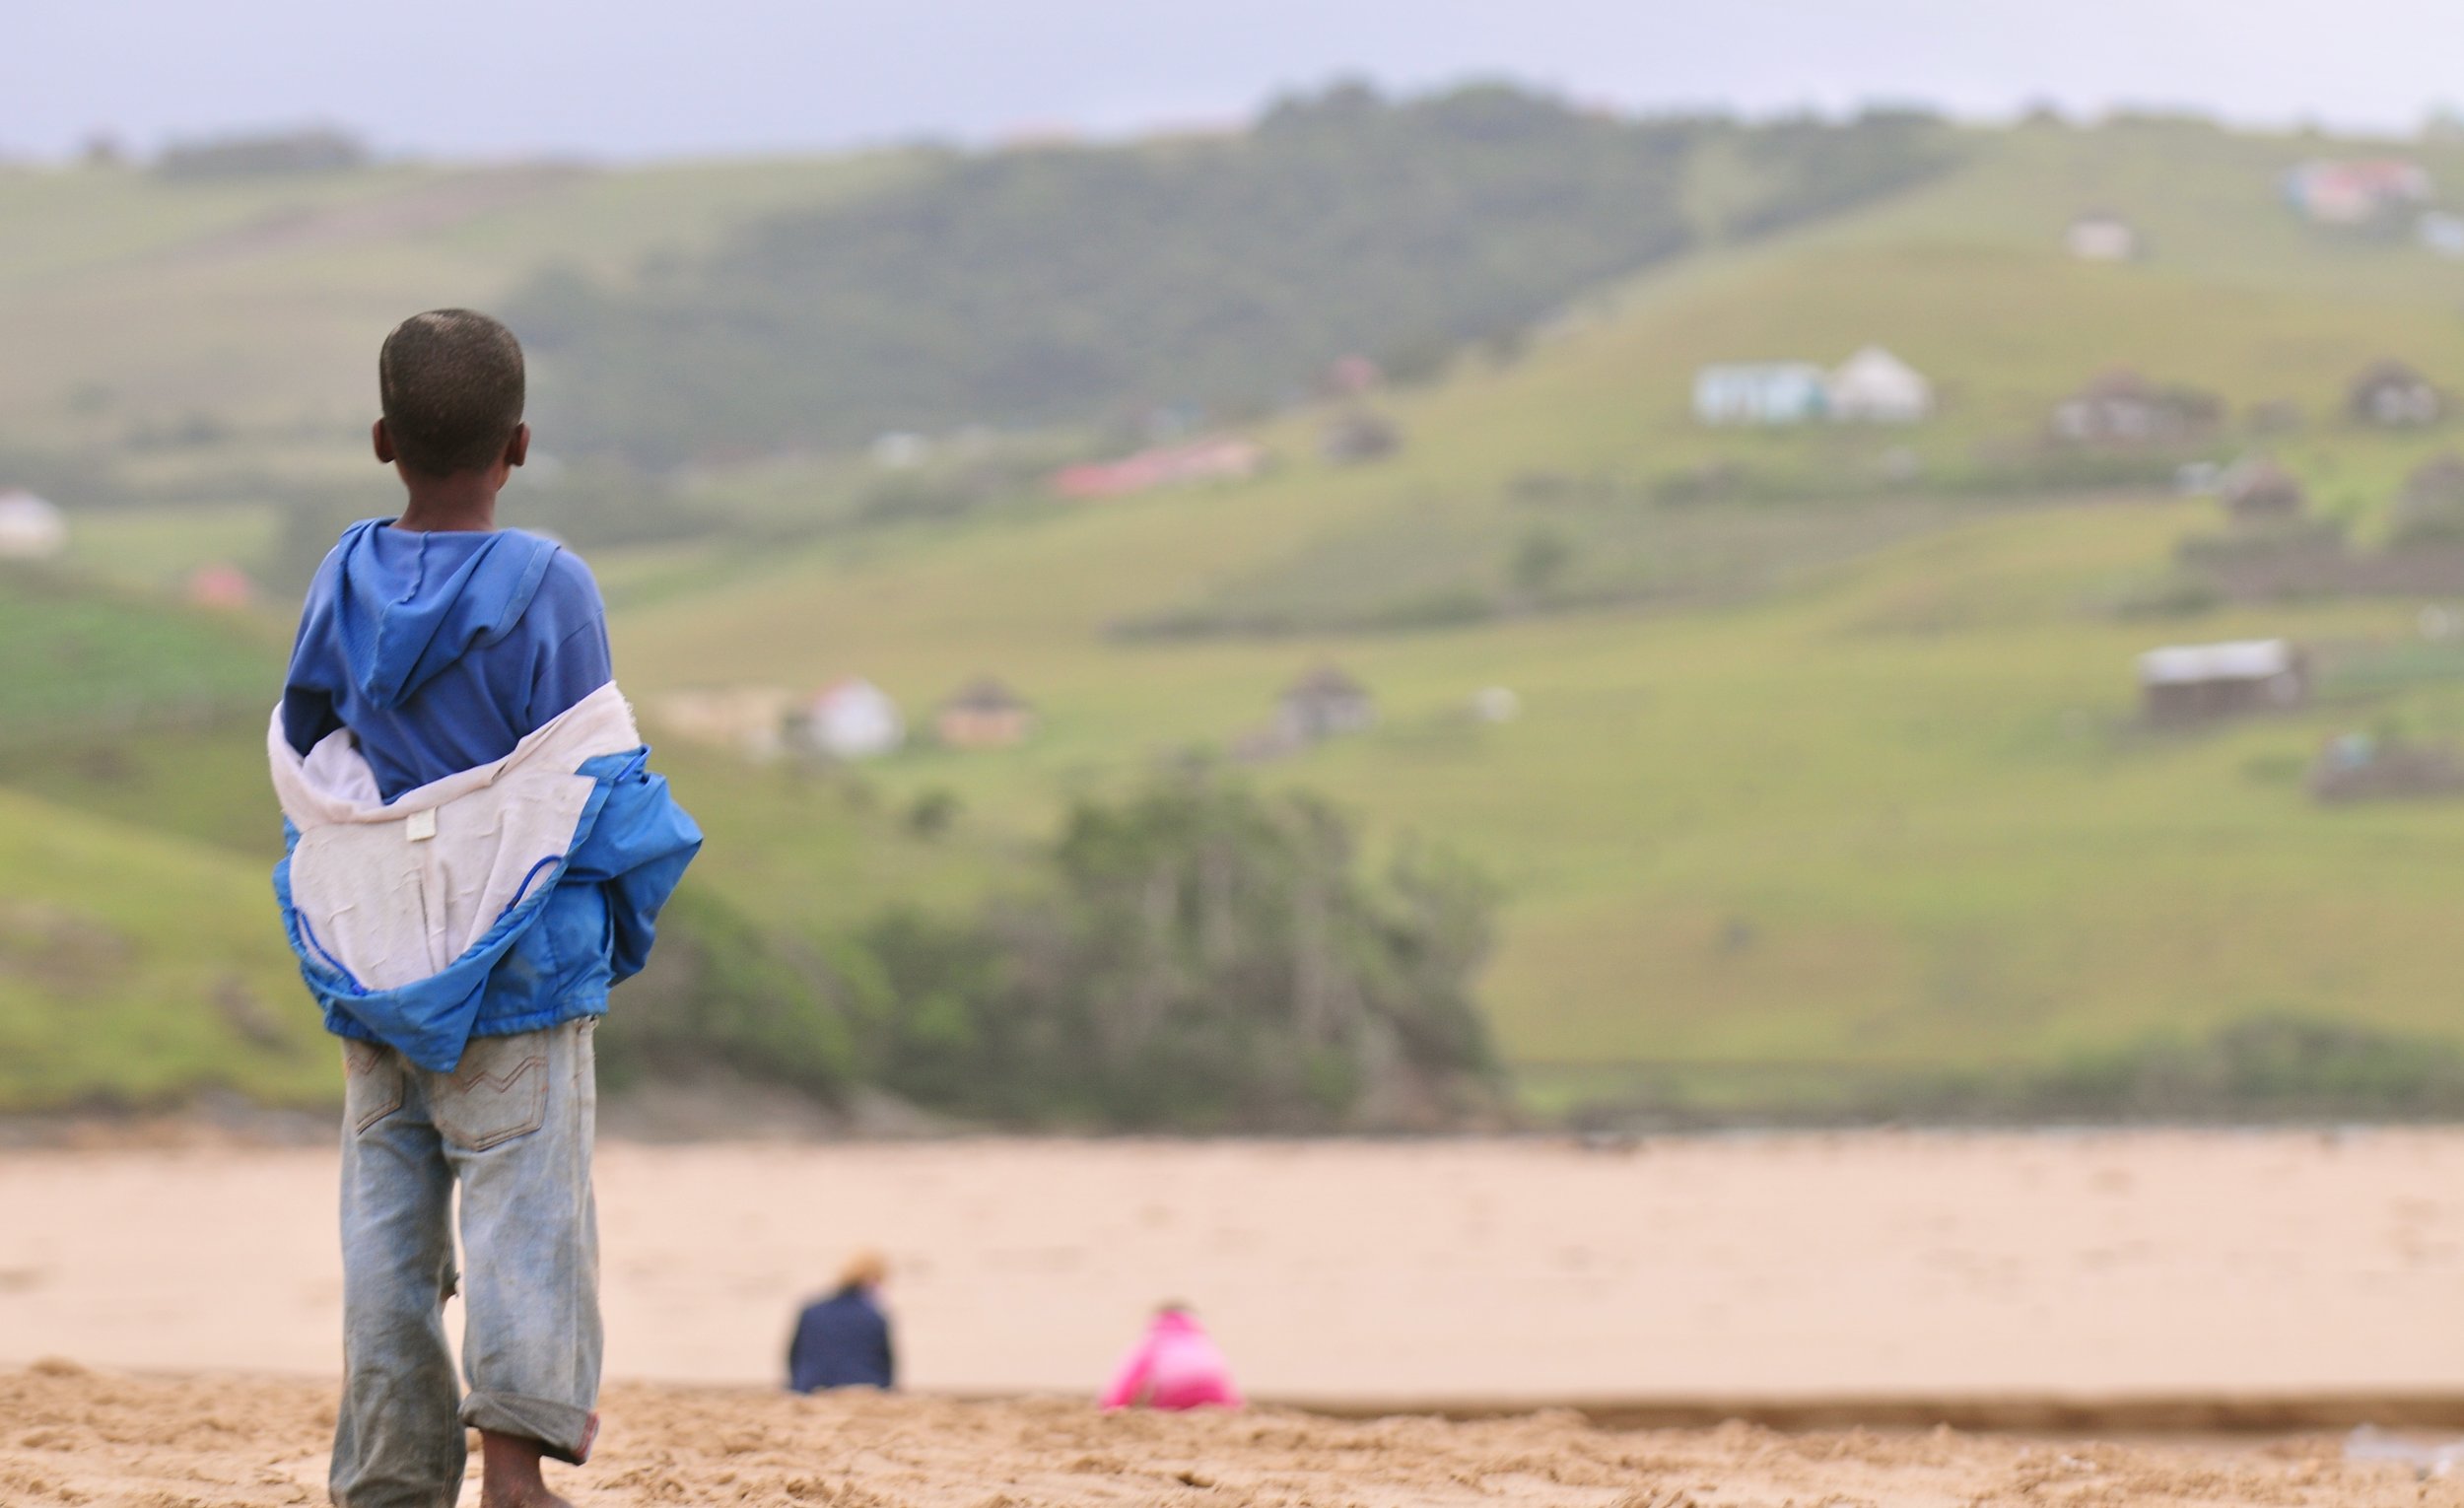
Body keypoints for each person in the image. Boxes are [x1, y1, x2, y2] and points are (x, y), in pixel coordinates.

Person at [269, 308, 702, 1508]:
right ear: (518, 444)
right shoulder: (547, 582)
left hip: (379, 975)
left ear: (380, 439)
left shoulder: (340, 574)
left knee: (386, 1242)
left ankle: (390, 1476)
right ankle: (513, 1473)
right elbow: (588, 778)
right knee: (529, 1226)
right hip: (515, 979)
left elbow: (317, 758)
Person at [1099, 1303, 1243, 1411]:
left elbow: (1129, 1379)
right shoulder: (1201, 1341)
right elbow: (1224, 1376)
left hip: (1175, 1397)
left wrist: (1112, 1406)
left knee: (1158, 1402)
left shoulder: (1154, 1340)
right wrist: (1235, 1406)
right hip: (1216, 1398)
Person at [787, 1250, 896, 1392]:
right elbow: (887, 1366)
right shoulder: (874, 1316)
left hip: (811, 1386)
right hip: (864, 1386)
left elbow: (794, 1357)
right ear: (872, 1281)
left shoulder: (811, 1310)